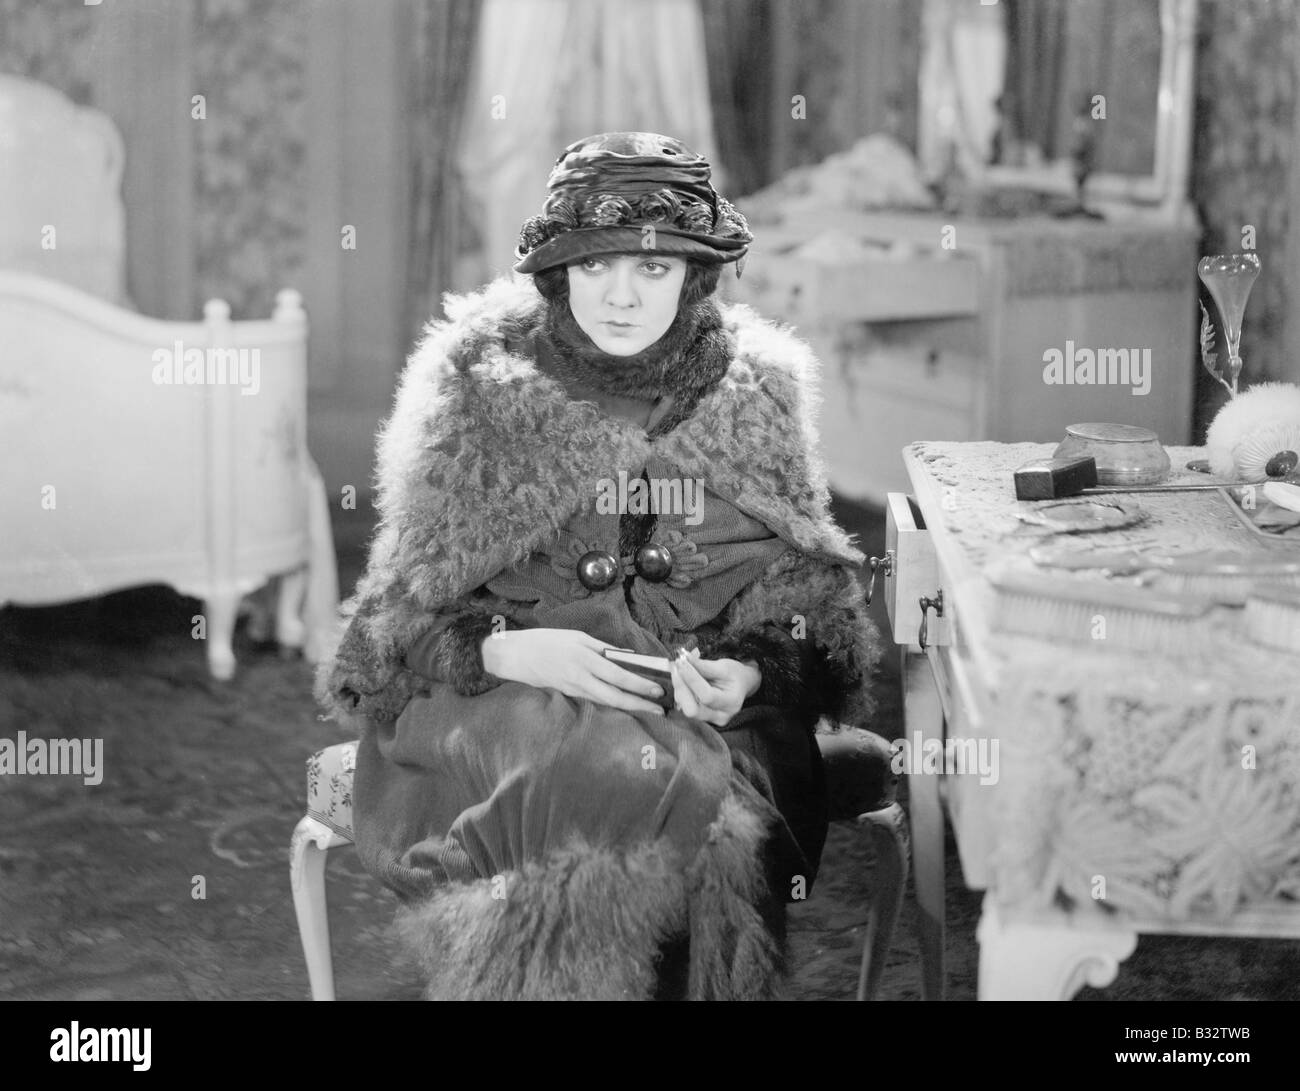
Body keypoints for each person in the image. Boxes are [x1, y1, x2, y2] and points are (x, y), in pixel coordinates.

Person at [316, 131, 882, 1000]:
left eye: (652, 272)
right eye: (596, 266)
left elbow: (812, 611)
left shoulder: (756, 391)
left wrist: (751, 671)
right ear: (557, 270)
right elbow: (395, 622)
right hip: (496, 702)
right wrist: (502, 648)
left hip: (695, 710)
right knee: (590, 767)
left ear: (694, 275)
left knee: (704, 779)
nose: (620, 297)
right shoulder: (480, 382)